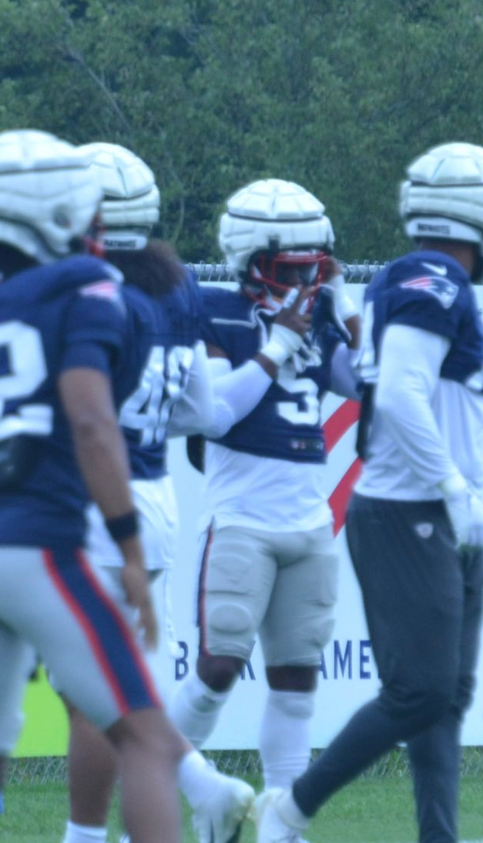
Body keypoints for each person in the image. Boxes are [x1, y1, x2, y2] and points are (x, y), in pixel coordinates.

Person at [0, 129, 187, 843]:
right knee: (146, 737)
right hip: (42, 552)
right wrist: (129, 548)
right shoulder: (78, 292)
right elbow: (91, 424)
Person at [256, 143, 483, 843]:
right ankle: (289, 809)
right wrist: (451, 484)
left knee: (448, 698)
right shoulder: (433, 274)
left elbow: (401, 388)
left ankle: (440, 837)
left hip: (440, 510)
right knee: (420, 691)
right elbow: (401, 392)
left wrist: (459, 491)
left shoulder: (428, 278)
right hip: (413, 510)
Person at [60, 143, 253, 843]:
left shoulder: (83, 295)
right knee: (105, 685)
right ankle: (202, 788)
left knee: (90, 693)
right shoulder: (178, 290)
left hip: (87, 505)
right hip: (153, 504)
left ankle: (90, 834)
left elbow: (73, 415)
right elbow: (200, 411)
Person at [167, 179, 361, 809]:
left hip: (309, 523)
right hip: (242, 517)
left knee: (297, 677)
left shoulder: (323, 315)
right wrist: (279, 343)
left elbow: (366, 382)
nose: (304, 279)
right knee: (219, 665)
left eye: (314, 267)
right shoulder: (216, 311)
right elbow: (216, 413)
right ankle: (163, 796)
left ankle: (281, 816)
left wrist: (346, 302)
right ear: (250, 262)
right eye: (291, 267)